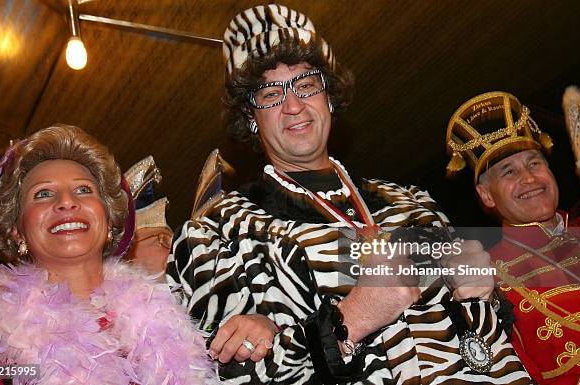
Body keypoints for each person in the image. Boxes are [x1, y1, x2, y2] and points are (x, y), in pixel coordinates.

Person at [167, 5, 530, 384]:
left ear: (329, 98)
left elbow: (495, 333)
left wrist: (486, 294)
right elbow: (224, 375)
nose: (294, 106)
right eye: (271, 94)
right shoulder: (216, 232)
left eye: (306, 84)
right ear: (249, 118)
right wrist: (350, 320)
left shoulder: (412, 202)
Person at [0, 125, 216, 384]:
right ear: (16, 231)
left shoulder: (176, 319)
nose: (67, 202)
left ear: (109, 220)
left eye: (83, 190)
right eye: (43, 194)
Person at [445, 91, 580, 385]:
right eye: (508, 172)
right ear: (486, 195)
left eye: (535, 163)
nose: (529, 178)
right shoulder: (486, 278)